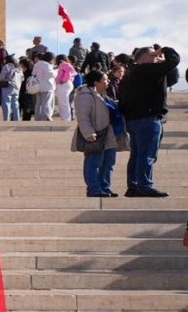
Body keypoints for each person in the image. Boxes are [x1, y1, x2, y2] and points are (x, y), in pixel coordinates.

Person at [118, 45, 180, 198]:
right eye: (154, 55)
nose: (158, 57)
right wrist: (164, 49)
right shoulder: (148, 70)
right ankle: (145, 185)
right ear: (144, 58)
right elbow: (175, 60)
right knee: (146, 154)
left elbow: (172, 77)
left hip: (133, 120)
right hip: (148, 118)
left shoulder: (129, 74)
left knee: (137, 154)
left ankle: (133, 186)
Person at [73, 70, 120, 198]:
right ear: (96, 82)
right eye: (105, 80)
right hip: (96, 134)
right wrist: (89, 133)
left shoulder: (103, 95)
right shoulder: (85, 95)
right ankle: (94, 188)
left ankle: (105, 187)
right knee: (94, 162)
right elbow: (83, 117)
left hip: (108, 134)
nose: (108, 82)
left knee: (108, 162)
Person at [31, 52, 57, 122]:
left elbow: (33, 74)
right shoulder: (46, 64)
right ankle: (46, 117)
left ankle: (37, 117)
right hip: (47, 86)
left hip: (38, 87)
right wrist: (56, 71)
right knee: (47, 103)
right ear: (51, 58)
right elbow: (50, 74)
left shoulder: (36, 64)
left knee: (38, 103)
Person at [0, 53, 23, 122]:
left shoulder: (7, 66)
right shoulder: (19, 68)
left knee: (6, 103)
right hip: (17, 88)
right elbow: (22, 78)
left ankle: (6, 119)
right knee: (15, 104)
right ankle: (16, 119)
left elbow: (1, 77)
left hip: (8, 86)